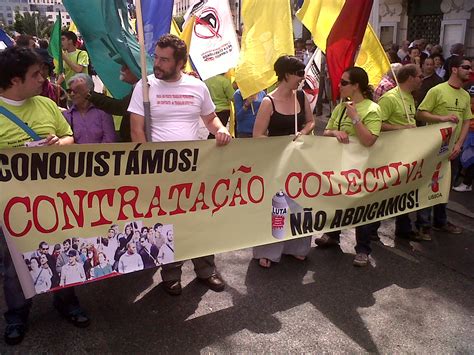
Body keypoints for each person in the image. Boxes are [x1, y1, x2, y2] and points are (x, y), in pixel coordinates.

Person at [128, 34, 231, 295]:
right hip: (161, 171)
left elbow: (211, 119)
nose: (157, 65)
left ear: (181, 63)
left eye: (164, 60)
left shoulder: (198, 87)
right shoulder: (145, 86)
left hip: (196, 169)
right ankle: (171, 274)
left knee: (199, 220)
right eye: (156, 58)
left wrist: (221, 130)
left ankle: (206, 270)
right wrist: (149, 166)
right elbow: (136, 130)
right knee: (168, 224)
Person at [0, 47, 89, 345]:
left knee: (64, 252)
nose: (43, 79)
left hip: (53, 202)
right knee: (13, 265)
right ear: (15, 80)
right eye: (35, 74)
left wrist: (58, 144)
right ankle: (17, 314)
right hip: (10, 207)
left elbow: (70, 138)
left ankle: (66, 300)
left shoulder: (47, 105)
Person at [252, 55, 316, 268]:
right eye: (299, 74)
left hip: (299, 160)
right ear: (287, 74)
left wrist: (303, 133)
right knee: (277, 206)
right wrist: (281, 143)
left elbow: (311, 121)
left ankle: (297, 247)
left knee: (300, 204)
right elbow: (258, 135)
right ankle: (268, 251)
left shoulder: (301, 97)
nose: (302, 78)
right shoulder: (267, 102)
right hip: (276, 162)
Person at [314, 67, 382, 267]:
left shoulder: (372, 109)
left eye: (344, 82)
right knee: (338, 200)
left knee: (361, 207)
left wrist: (355, 117)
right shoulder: (339, 107)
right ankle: (333, 234)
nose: (339, 85)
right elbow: (326, 132)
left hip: (363, 169)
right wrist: (335, 133)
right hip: (341, 166)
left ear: (356, 86)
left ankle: (363, 250)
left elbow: (369, 140)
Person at [415, 56, 472, 238]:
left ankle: (440, 221)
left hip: (452, 150)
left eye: (470, 67)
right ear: (454, 69)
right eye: (466, 67)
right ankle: (423, 224)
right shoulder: (437, 91)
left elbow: (466, 121)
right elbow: (420, 113)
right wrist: (442, 118)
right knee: (428, 185)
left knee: (445, 186)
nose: (469, 70)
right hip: (434, 148)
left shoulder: (464, 95)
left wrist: (459, 145)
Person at [378, 64, 426, 240]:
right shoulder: (390, 98)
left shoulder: (410, 98)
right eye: (420, 76)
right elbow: (377, 124)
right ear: (410, 77)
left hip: (405, 153)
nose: (422, 79)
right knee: (385, 192)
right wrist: (402, 128)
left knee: (404, 191)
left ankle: (404, 228)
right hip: (390, 154)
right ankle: (370, 228)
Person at [70, 63, 139, 142]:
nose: (122, 69)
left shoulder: (143, 89)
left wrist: (87, 93)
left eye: (126, 66)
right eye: (69, 91)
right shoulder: (68, 115)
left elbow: (120, 107)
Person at [62, 73, 117, 144]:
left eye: (76, 90)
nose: (72, 94)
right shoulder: (66, 115)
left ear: (88, 91)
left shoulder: (103, 112)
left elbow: (109, 139)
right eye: (69, 91)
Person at [453, 84, 474, 192]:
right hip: (466, 130)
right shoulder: (467, 89)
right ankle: (457, 180)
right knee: (462, 157)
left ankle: (467, 183)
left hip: (472, 132)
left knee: (470, 159)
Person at [204, 73, 235, 138]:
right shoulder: (225, 81)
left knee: (213, 131)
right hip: (223, 110)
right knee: (219, 131)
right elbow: (232, 97)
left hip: (210, 110)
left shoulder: (205, 81)